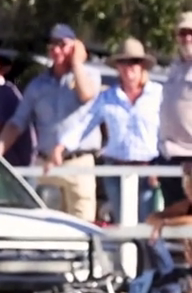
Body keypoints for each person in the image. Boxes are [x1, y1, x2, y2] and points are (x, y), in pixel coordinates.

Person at [0, 24, 100, 221]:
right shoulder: (38, 85)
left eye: (62, 44)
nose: (56, 50)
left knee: (83, 227)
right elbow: (17, 122)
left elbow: (86, 95)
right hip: (46, 164)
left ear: (75, 46)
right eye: (52, 45)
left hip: (79, 163)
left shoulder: (89, 75)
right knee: (48, 226)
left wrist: (77, 62)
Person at [56, 37, 161, 218]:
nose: (129, 67)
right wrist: (61, 146)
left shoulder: (158, 94)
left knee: (148, 227)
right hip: (115, 169)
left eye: (134, 62)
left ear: (142, 65)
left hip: (148, 170)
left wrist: (159, 167)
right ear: (117, 67)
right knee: (122, 225)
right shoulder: (107, 97)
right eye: (123, 62)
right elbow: (85, 123)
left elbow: (168, 129)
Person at [158, 13, 192, 206]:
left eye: (191, 32)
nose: (187, 38)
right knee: (172, 215)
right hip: (170, 155)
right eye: (182, 33)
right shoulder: (175, 67)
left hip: (190, 156)